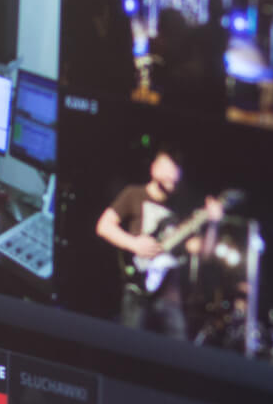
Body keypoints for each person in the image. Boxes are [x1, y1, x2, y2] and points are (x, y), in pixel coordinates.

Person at [95, 145, 224, 338]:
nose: (172, 175)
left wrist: (213, 224)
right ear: (154, 169)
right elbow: (103, 226)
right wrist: (133, 243)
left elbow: (203, 252)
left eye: (176, 170)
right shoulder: (134, 193)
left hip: (169, 296)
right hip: (137, 287)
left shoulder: (181, 209)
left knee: (177, 350)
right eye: (167, 167)